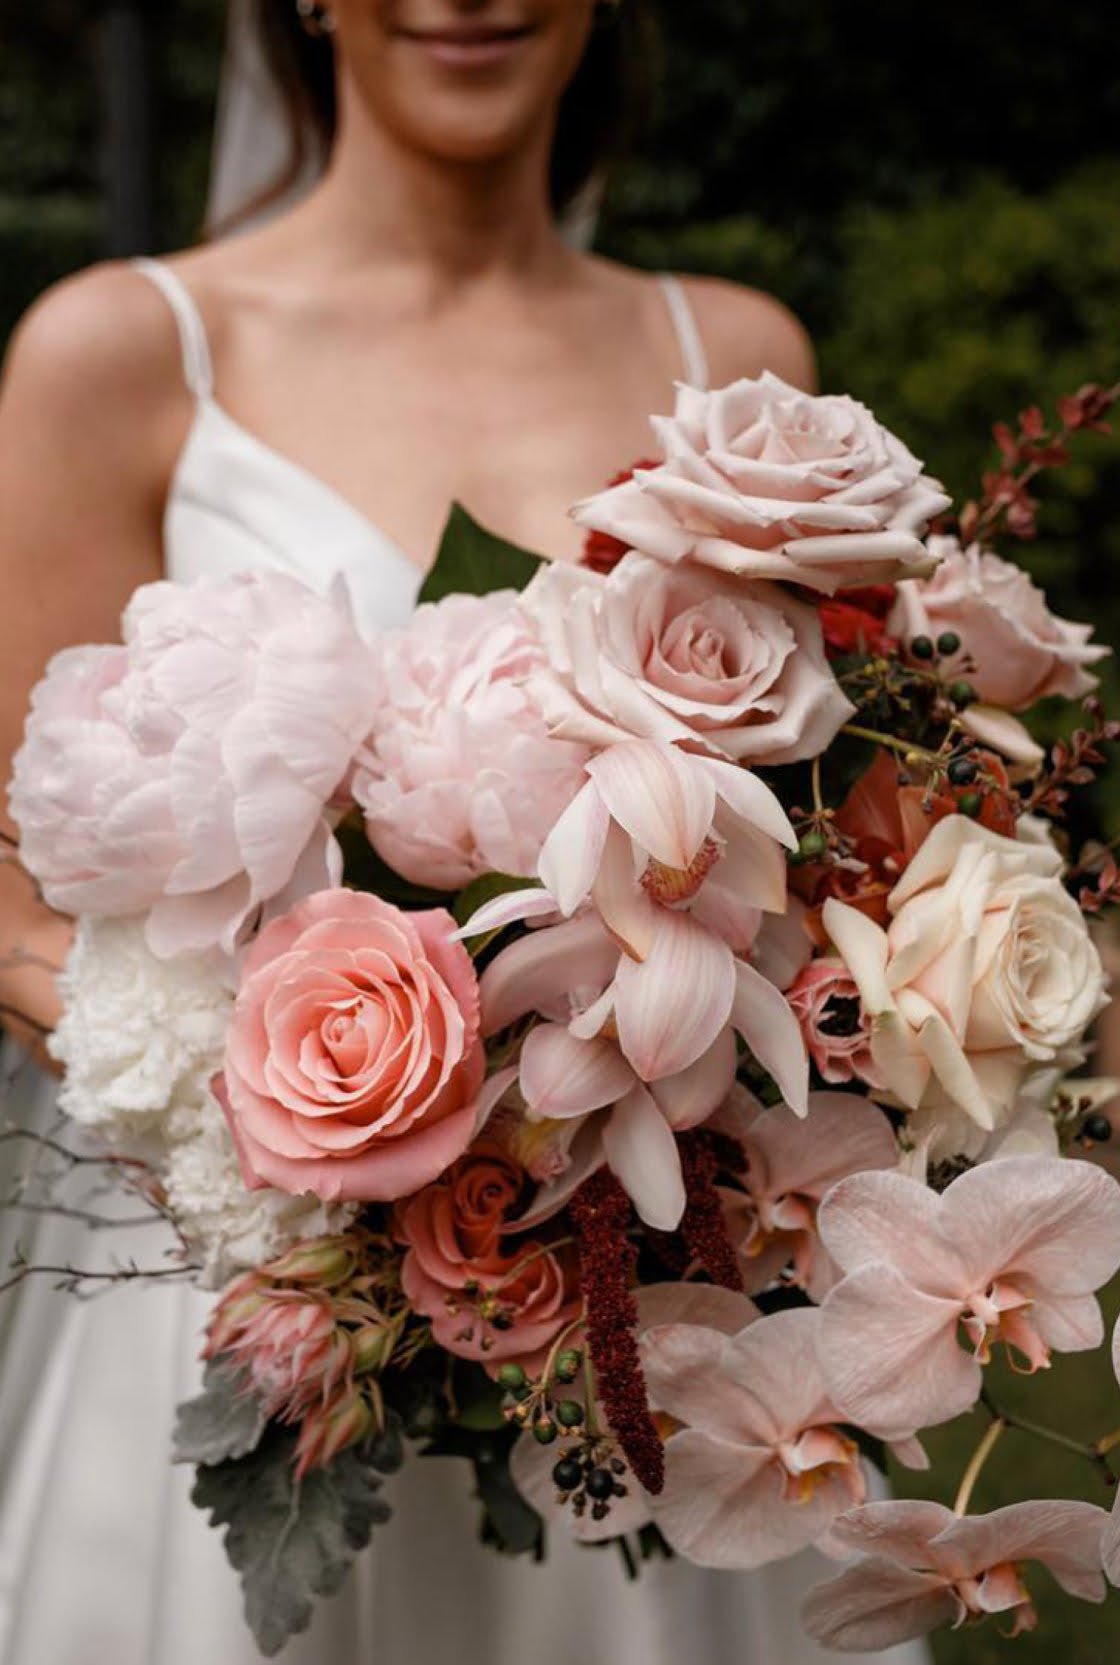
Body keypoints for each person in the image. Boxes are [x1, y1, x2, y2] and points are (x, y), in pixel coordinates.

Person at [0, 4, 926, 1661]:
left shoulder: (737, 358)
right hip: (256, 1295)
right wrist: (330, 1135)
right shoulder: (121, 351)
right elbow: (16, 895)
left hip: (656, 1294)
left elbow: (839, 839)